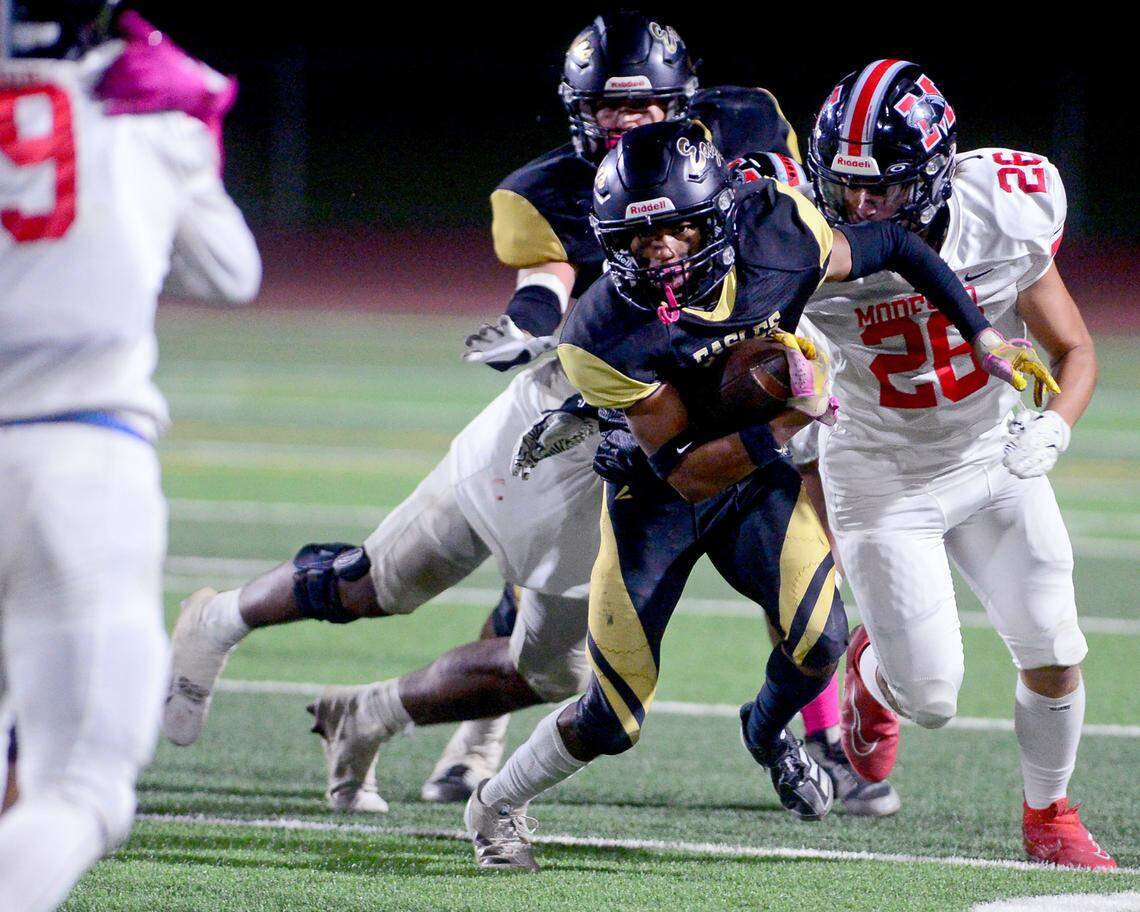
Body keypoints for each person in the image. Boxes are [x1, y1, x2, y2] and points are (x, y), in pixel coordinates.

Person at [163, 11, 846, 817]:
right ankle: (222, 619)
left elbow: (808, 231)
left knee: (558, 666)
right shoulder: (546, 192)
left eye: (642, 104)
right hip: (577, 420)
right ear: (575, 109)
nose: (624, 122)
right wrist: (527, 320)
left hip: (682, 429)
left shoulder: (747, 124)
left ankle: (385, 718)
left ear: (686, 100)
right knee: (382, 579)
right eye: (603, 106)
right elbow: (550, 282)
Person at [463, 117, 1043, 870]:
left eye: (674, 229)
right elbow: (684, 469)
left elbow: (895, 244)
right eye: (637, 239)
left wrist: (981, 335)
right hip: (660, 498)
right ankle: (494, 805)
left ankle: (767, 736)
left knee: (821, 642)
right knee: (614, 714)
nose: (658, 251)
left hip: (752, 478)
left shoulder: (781, 232)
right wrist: (789, 415)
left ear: (718, 216)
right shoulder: (599, 332)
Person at [797, 59, 1114, 869]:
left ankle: (1049, 817)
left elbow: (1074, 348)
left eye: (884, 190)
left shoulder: (1001, 210)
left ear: (934, 177)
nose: (861, 207)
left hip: (989, 453)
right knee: (931, 698)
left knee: (1054, 643)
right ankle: (872, 679)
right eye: (847, 186)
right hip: (880, 472)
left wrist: (1056, 430)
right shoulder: (804, 237)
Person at [0, 3, 260, 909]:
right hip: (77, 463)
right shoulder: (143, 120)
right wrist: (199, 133)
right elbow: (230, 272)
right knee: (80, 788)